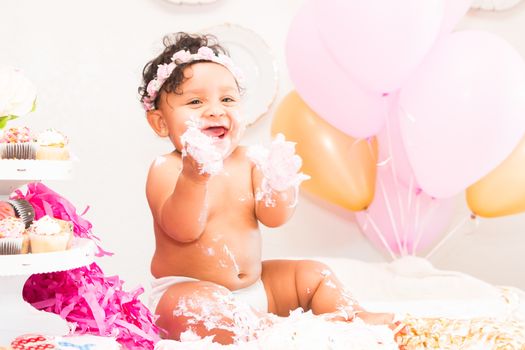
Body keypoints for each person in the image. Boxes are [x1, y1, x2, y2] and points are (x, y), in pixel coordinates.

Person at [139, 32, 396, 345]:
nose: (216, 110)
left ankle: (353, 315)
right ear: (160, 123)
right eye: (195, 102)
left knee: (314, 273)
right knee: (191, 307)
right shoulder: (168, 168)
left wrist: (279, 181)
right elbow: (183, 230)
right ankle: (277, 331)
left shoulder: (248, 160)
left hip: (258, 288)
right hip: (189, 290)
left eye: (228, 99)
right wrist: (195, 178)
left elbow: (273, 217)